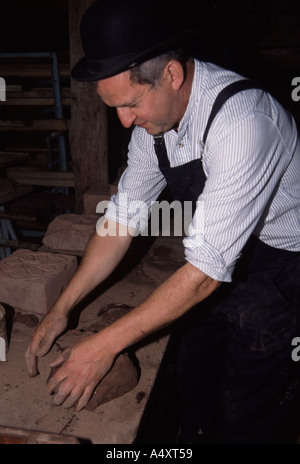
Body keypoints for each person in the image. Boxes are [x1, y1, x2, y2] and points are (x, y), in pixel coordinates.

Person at [25, 0, 300, 443]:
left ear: (171, 74)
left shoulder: (244, 123)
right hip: (218, 257)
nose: (125, 121)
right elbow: (120, 222)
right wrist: (63, 306)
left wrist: (102, 347)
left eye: (132, 104)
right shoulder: (153, 126)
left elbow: (203, 274)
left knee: (245, 407)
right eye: (113, 107)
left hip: (283, 266)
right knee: (193, 377)